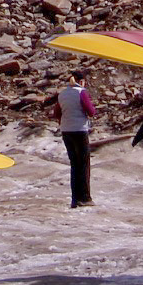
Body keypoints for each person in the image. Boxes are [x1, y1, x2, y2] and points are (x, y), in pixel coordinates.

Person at [52, 71, 97, 207]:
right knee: (83, 164)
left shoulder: (62, 94)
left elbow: (56, 113)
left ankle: (75, 198)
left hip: (66, 131)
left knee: (74, 165)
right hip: (80, 130)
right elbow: (91, 111)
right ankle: (85, 197)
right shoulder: (81, 92)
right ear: (81, 81)